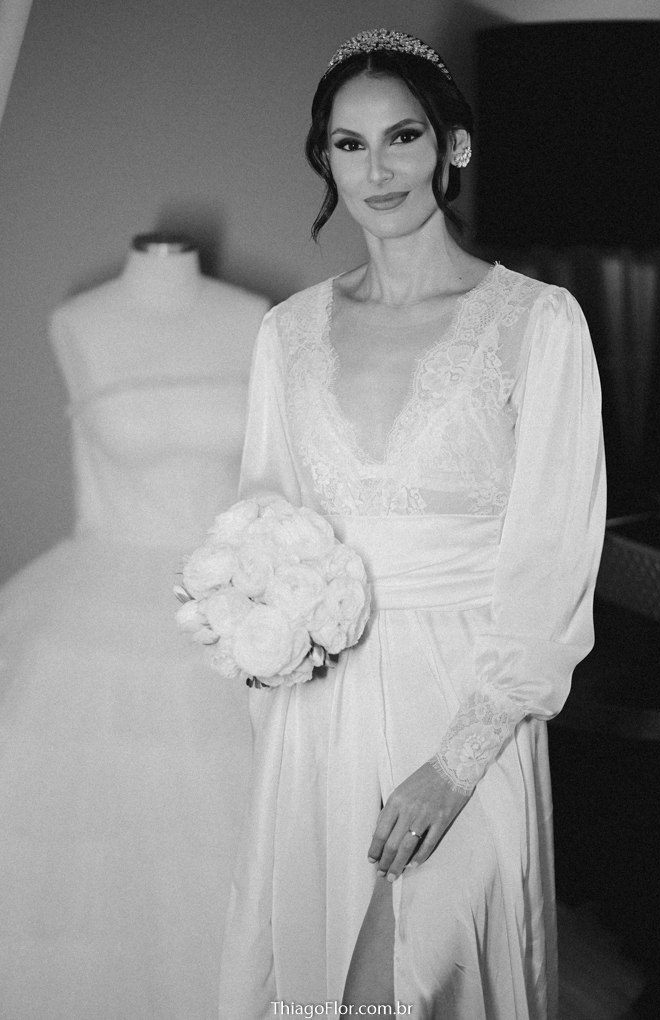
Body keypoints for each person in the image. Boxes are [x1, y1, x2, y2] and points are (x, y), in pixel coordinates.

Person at [219, 29, 606, 1020]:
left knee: (420, 978)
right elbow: (262, 529)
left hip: (464, 706)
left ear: (450, 146)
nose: (377, 169)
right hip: (321, 716)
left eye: (402, 136)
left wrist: (453, 767)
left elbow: (552, 560)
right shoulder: (286, 333)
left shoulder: (537, 323)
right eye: (349, 145)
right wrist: (261, 643)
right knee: (319, 983)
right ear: (325, 160)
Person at [0, 235, 269, 1020]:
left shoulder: (255, 319)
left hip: (224, 601)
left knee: (222, 847)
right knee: (85, 858)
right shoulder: (77, 321)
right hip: (94, 606)